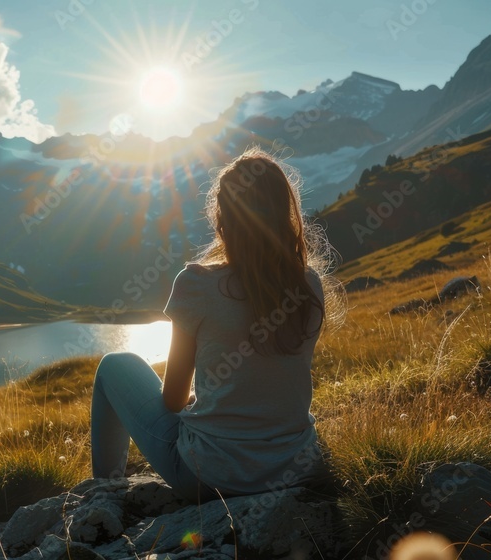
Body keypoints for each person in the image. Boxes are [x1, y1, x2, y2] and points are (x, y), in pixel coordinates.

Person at [90, 147, 340, 501]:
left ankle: (105, 491)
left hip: (210, 477)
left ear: (222, 216)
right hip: (297, 468)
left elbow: (174, 400)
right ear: (285, 212)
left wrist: (203, 397)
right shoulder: (308, 284)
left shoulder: (197, 283)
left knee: (115, 366)